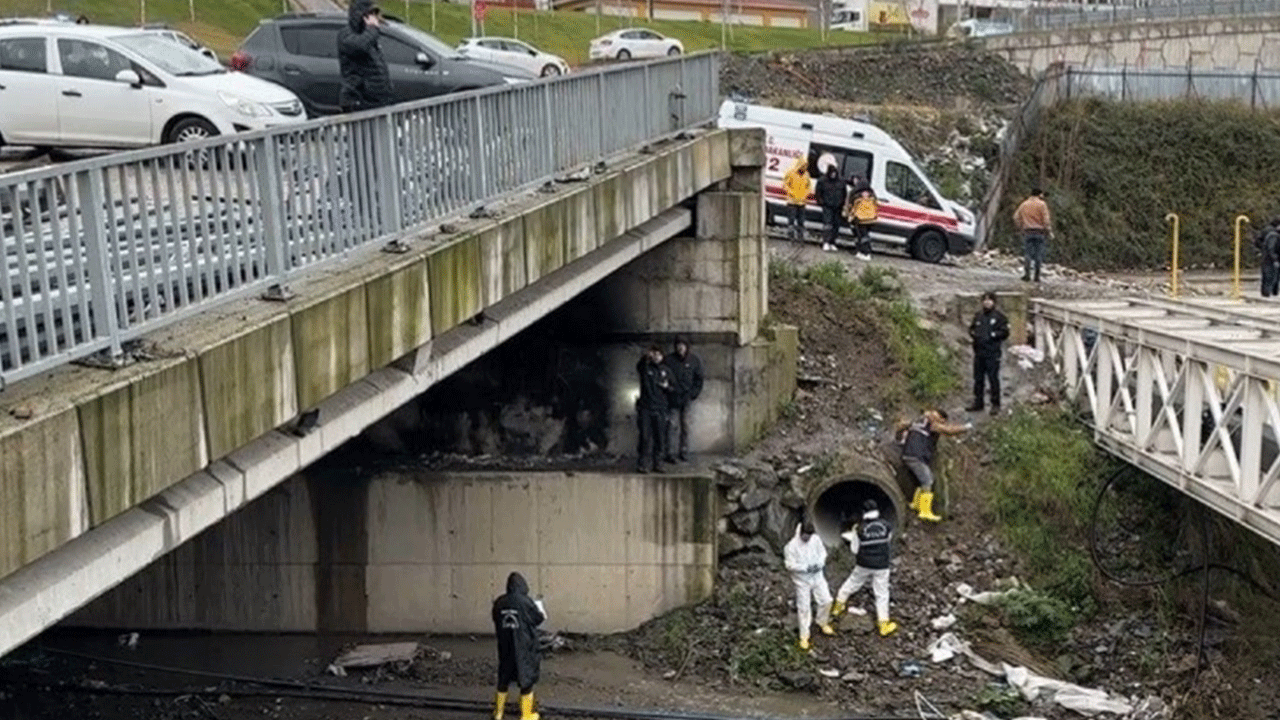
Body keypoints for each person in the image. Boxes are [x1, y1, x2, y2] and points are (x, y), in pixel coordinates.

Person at [831, 499, 897, 637]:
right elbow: (888, 541)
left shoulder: (860, 528)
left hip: (864, 564)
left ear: (864, 512)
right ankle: (883, 624)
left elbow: (854, 549)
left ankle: (838, 606)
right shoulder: (886, 526)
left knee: (852, 583)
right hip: (882, 565)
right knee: (882, 593)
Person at [896, 409, 972, 522]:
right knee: (927, 481)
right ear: (940, 418)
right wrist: (967, 427)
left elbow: (901, 426)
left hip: (908, 454)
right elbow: (949, 431)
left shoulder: (917, 421)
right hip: (917, 456)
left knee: (923, 479)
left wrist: (900, 436)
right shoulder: (933, 425)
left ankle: (916, 503)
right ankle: (924, 511)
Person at [492, 572, 546, 720]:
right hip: (524, 647)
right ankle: (526, 715)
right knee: (526, 679)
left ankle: (498, 713)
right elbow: (538, 619)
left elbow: (495, 619)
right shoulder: (526, 602)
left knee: (503, 679)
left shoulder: (499, 602)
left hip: (505, 646)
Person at [783, 521, 835, 650]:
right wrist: (805, 568)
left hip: (817, 577)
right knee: (804, 608)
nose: (807, 538)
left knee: (827, 600)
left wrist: (820, 563)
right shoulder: (791, 546)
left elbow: (823, 553)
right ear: (800, 533)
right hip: (802, 581)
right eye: (805, 536)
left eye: (809, 536)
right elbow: (789, 565)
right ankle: (804, 636)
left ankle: (822, 621)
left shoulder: (815, 540)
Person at [337, 0, 393, 113]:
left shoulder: (370, 37)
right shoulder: (346, 35)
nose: (373, 19)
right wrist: (372, 29)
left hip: (376, 100)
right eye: (369, 14)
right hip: (359, 100)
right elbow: (360, 46)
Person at [967, 291, 1010, 414]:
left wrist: (992, 335)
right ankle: (978, 402)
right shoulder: (978, 316)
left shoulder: (999, 317)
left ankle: (995, 404)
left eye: (989, 300)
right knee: (978, 379)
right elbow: (971, 329)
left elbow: (1005, 332)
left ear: (994, 302)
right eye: (985, 300)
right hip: (979, 352)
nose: (987, 302)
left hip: (992, 353)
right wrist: (974, 335)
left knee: (993, 379)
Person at [663, 337, 704, 463]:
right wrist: (667, 391)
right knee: (671, 426)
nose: (680, 348)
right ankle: (669, 453)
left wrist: (693, 394)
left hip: (686, 398)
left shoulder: (694, 360)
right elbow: (662, 376)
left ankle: (684, 451)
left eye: (683, 345)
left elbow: (699, 379)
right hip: (672, 398)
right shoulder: (669, 360)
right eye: (678, 345)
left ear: (687, 347)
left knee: (685, 426)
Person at [635, 345, 672, 473]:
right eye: (654, 354)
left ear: (662, 356)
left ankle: (658, 463)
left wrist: (667, 387)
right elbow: (639, 366)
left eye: (658, 354)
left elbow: (673, 387)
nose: (656, 357)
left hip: (661, 408)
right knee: (645, 437)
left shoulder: (666, 370)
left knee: (660, 438)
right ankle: (643, 464)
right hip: (646, 408)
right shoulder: (645, 368)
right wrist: (645, 356)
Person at [1013, 187, 1052, 283]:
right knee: (1039, 254)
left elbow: (1016, 217)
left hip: (1028, 231)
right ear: (1040, 194)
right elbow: (1046, 220)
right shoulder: (1042, 204)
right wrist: (1048, 230)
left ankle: (1027, 275)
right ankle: (1037, 276)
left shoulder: (1024, 204)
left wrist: (1020, 227)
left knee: (1028, 253)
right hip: (1039, 232)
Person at [815, 164, 847, 253]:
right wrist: (821, 202)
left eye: (834, 173)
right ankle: (826, 242)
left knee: (836, 225)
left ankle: (832, 242)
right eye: (832, 173)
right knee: (827, 225)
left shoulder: (841, 181)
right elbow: (818, 193)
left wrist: (842, 203)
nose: (833, 174)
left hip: (838, 207)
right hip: (827, 206)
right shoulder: (822, 180)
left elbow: (844, 193)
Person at [845, 175, 877, 261]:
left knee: (861, 236)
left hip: (860, 219)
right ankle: (863, 252)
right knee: (865, 236)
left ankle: (865, 252)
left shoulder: (856, 195)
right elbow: (876, 205)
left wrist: (849, 216)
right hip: (871, 219)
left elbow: (851, 206)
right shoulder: (872, 195)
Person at [782, 158, 811, 242]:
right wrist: (791, 192)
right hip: (792, 201)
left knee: (801, 221)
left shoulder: (806, 175)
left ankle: (800, 237)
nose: (805, 167)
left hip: (802, 202)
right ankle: (791, 236)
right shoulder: (791, 173)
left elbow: (809, 186)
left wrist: (805, 194)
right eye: (803, 165)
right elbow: (785, 184)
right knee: (791, 220)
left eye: (806, 166)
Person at [1257, 217, 1280, 297]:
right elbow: (1271, 248)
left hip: (1267, 256)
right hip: (1271, 257)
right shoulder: (1274, 235)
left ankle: (1269, 292)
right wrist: (1275, 258)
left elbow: (1258, 241)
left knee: (1269, 275)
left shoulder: (1268, 231)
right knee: (1271, 275)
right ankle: (1270, 292)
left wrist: (1262, 249)